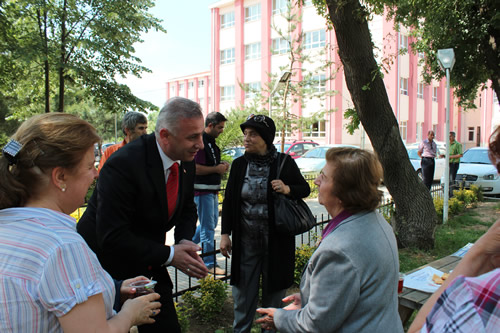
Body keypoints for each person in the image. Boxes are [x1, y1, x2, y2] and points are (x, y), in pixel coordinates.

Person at [0, 113, 161, 332]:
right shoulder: (63, 246)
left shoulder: (8, 225)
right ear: (60, 177)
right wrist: (130, 314)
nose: (95, 174)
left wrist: (111, 288)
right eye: (89, 167)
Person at [77, 97, 209, 333]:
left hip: (148, 260)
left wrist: (183, 242)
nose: (200, 144)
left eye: (200, 134)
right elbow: (111, 236)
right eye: (192, 137)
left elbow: (187, 208)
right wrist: (170, 255)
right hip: (103, 265)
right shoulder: (124, 164)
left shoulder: (185, 161)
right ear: (165, 136)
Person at [256, 147, 404, 332]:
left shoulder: (340, 250)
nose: (317, 181)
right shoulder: (374, 221)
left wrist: (279, 318)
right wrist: (311, 298)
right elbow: (359, 291)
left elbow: (315, 325)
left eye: (324, 177)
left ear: (343, 193)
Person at [220, 114, 310, 333]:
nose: (246, 139)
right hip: (246, 244)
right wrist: (225, 233)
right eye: (245, 134)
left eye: (253, 134)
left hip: (276, 245)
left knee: (274, 303)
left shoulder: (284, 163)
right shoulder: (240, 165)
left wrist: (288, 189)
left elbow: (304, 189)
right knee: (243, 300)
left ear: (266, 138)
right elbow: (230, 200)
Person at [408, 127, 500, 333]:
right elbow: (420, 153)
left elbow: (420, 328)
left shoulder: (480, 298)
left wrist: (478, 253)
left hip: (449, 163)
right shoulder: (426, 144)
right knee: (427, 183)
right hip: (430, 161)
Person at [192, 111, 229, 275]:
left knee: (210, 225)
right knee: (208, 229)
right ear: (210, 125)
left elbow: (209, 164)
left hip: (211, 191)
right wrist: (216, 168)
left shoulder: (211, 143)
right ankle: (209, 263)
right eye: (220, 127)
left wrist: (220, 165)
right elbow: (195, 168)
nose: (222, 130)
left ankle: (187, 247)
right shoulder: (200, 142)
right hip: (202, 191)